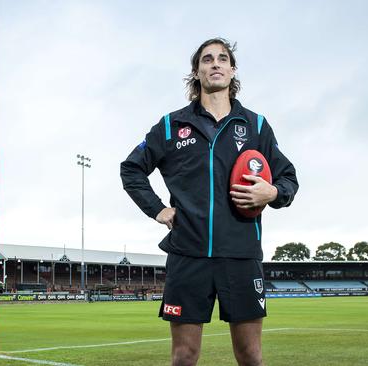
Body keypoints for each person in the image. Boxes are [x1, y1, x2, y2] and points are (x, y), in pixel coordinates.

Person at [121, 38, 298, 366]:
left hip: (241, 254)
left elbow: (288, 178)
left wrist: (271, 193)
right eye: (207, 59)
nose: (215, 64)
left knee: (250, 356)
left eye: (222, 59)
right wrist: (158, 209)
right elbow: (131, 169)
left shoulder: (256, 126)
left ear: (232, 71)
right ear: (197, 71)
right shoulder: (170, 126)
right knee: (184, 357)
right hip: (188, 253)